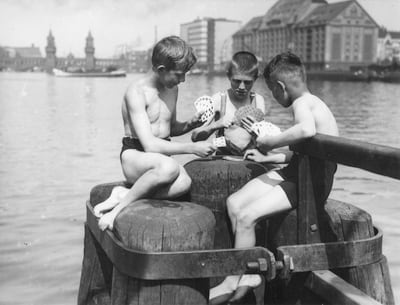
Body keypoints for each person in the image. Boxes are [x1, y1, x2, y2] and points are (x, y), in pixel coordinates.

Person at [209, 52, 339, 304]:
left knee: (246, 216)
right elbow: (304, 149)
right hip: (299, 170)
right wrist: (268, 158)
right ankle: (235, 274)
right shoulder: (314, 103)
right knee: (235, 203)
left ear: (280, 86)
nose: (275, 98)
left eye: (273, 91)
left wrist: (270, 142)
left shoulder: (303, 103)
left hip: (311, 182)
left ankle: (246, 275)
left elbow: (306, 130)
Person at [93, 36, 216, 231]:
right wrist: (192, 147)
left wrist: (190, 125)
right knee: (170, 167)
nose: (182, 80)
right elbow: (150, 144)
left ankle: (124, 194)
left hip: (159, 161)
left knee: (184, 182)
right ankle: (117, 211)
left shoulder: (172, 89)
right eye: (178, 74)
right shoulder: (136, 92)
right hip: (136, 156)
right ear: (161, 70)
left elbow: (169, 129)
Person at [191, 51, 267, 155]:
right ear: (228, 76)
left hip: (251, 158)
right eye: (236, 81)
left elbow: (266, 140)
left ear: (256, 78)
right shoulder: (218, 99)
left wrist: (258, 131)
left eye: (247, 82)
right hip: (223, 157)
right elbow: (195, 137)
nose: (241, 87)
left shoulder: (258, 100)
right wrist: (216, 125)